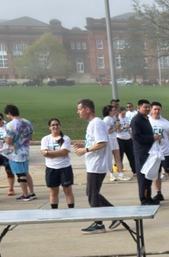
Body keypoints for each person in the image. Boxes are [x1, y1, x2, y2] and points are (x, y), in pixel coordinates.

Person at [73, 99, 117, 234]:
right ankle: (116, 214)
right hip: (94, 163)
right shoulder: (93, 123)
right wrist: (84, 144)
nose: (78, 112)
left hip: (97, 164)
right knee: (92, 193)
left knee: (92, 194)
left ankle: (99, 223)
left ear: (87, 110)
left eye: (80, 109)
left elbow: (102, 143)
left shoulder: (97, 123)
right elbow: (95, 142)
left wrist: (85, 150)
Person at [40, 118, 75, 209]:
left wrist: (49, 153)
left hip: (64, 167)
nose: (55, 127)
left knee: (68, 191)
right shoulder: (45, 139)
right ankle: (54, 211)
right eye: (53, 125)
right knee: (53, 192)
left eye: (57, 124)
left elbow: (64, 152)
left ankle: (71, 210)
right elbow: (43, 152)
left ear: (60, 126)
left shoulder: (65, 138)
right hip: (51, 168)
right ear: (49, 127)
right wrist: (57, 153)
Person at [4, 104, 36, 202]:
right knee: (26, 172)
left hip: (15, 153)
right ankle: (31, 192)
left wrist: (5, 139)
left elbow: (9, 141)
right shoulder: (27, 122)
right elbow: (31, 138)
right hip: (25, 150)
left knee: (20, 174)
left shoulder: (10, 125)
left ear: (9, 113)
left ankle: (25, 194)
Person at [131, 99, 156, 205]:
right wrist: (152, 138)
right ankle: (144, 199)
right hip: (141, 152)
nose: (147, 109)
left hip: (148, 151)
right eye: (144, 107)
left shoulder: (146, 119)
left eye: (148, 107)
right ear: (138, 108)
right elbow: (137, 136)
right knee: (143, 177)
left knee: (148, 176)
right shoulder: (136, 120)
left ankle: (148, 196)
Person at [0, 112, 15, 197]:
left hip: (6, 152)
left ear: (2, 119)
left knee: (9, 172)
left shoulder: (7, 127)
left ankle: (11, 188)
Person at [102, 104, 124, 182]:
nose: (115, 111)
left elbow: (118, 126)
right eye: (114, 110)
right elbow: (107, 131)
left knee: (117, 157)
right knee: (110, 157)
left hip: (114, 139)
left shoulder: (114, 117)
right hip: (109, 140)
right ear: (109, 111)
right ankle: (112, 174)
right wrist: (115, 127)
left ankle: (121, 174)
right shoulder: (106, 119)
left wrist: (117, 118)